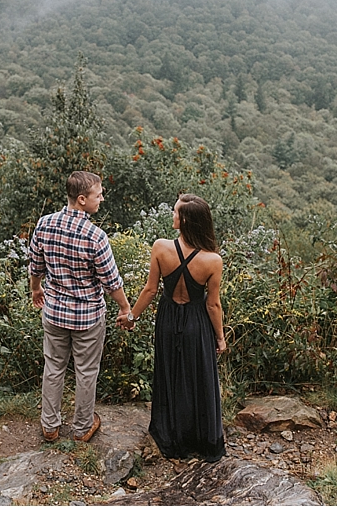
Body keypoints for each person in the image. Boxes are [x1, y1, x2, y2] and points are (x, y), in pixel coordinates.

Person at [118, 193, 227, 462]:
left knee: (170, 373)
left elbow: (151, 289)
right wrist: (220, 338)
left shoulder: (161, 247)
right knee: (198, 377)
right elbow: (213, 305)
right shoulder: (212, 260)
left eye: (176, 212)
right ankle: (201, 438)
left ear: (186, 219)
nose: (173, 215)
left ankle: (171, 435)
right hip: (196, 321)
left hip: (167, 319)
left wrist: (131, 317)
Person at [29, 171, 131, 443]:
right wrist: (124, 308)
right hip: (87, 317)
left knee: (53, 367)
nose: (102, 198)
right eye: (99, 195)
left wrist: (36, 288)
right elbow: (111, 281)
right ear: (82, 199)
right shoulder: (96, 236)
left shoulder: (45, 224)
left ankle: (50, 426)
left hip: (54, 312)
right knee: (86, 371)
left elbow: (35, 264)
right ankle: (82, 427)